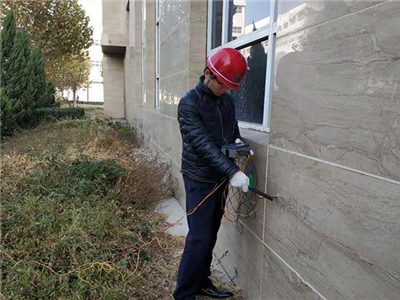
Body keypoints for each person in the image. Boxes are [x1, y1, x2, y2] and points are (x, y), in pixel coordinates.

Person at [174, 48, 251, 300]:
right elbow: (201, 142)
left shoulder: (227, 101)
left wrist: (237, 142)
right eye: (223, 84)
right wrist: (233, 172)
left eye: (230, 87)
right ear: (208, 73)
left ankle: (201, 281)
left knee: (212, 231)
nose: (225, 90)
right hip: (199, 177)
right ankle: (184, 293)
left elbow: (231, 129)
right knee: (199, 236)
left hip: (221, 177)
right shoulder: (189, 103)